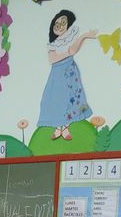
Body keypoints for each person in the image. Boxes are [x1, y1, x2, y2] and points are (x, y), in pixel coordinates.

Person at [37, 9, 97, 141]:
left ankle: (65, 127)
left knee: (72, 98)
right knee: (55, 99)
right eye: (57, 24)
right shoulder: (53, 44)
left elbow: (74, 49)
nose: (60, 26)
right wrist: (68, 53)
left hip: (70, 71)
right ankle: (59, 127)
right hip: (57, 74)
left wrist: (84, 36)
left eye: (63, 23)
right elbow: (52, 59)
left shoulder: (69, 38)